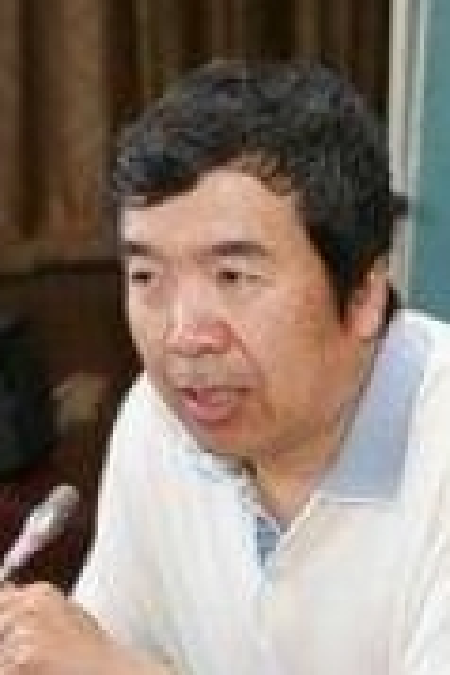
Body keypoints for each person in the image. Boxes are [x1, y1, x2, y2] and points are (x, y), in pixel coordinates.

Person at [0, 59, 449, 674]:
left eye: (233, 276)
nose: (184, 337)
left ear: (364, 294)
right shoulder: (159, 421)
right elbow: (106, 644)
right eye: (146, 277)